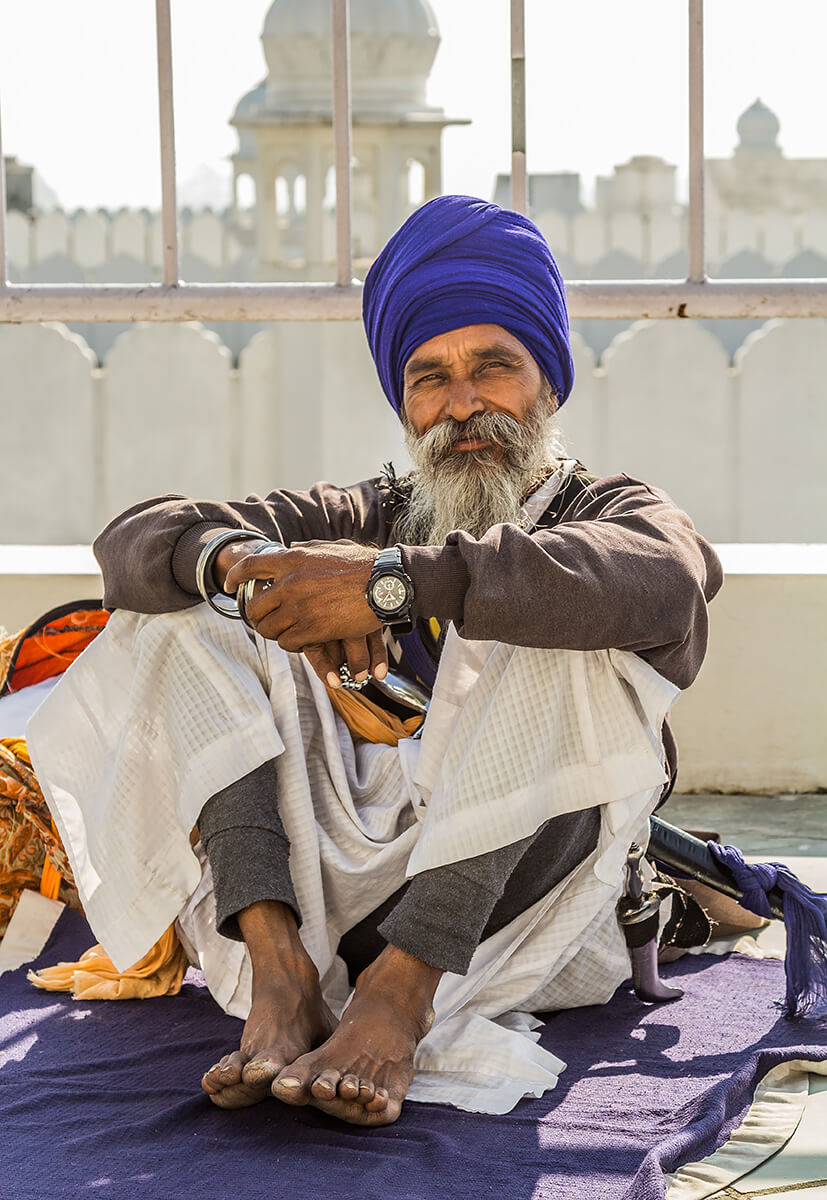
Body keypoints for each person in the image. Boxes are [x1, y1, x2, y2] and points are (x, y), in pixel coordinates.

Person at [27, 195, 722, 1127]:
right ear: (403, 402)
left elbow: (672, 578)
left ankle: (397, 997)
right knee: (182, 614)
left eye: (494, 367)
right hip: (321, 895)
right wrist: (244, 570)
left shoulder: (608, 511)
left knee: (546, 625)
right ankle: (282, 980)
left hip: (507, 920)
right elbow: (136, 542)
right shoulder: (363, 512)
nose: (462, 404)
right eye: (429, 377)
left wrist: (388, 587)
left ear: (547, 382)